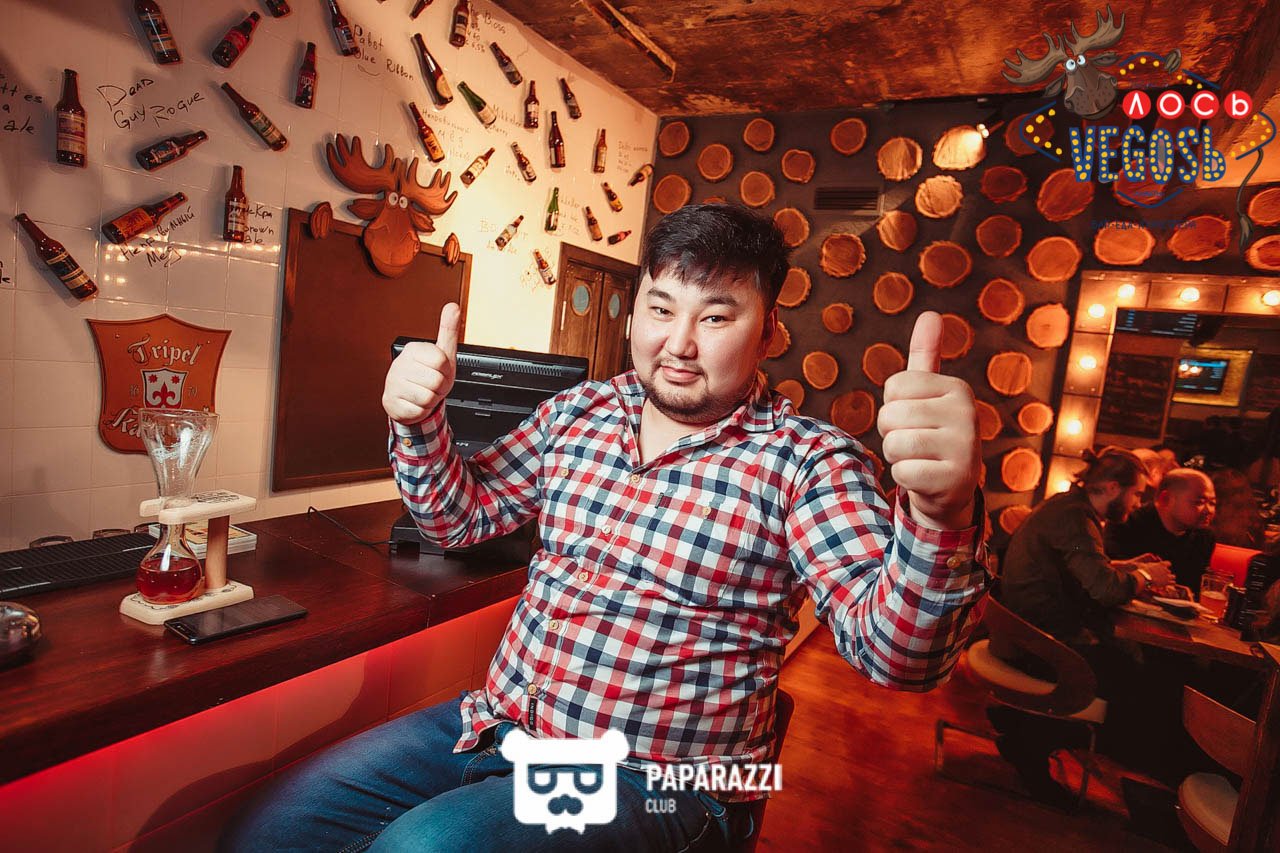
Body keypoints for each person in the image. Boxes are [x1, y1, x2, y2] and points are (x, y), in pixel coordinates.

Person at [222, 204, 989, 852]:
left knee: (423, 849)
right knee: (274, 828)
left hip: (659, 778)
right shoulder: (579, 412)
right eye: (661, 307)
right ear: (635, 309)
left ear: (768, 331)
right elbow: (459, 519)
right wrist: (418, 423)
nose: (679, 342)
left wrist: (941, 516)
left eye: (715, 315)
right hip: (500, 724)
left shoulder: (807, 461)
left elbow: (897, 657)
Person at [992, 446, 1174, 802]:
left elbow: (1081, 566)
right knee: (1136, 679)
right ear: (1112, 488)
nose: (1138, 503)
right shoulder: (1074, 517)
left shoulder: (1069, 506)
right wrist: (1146, 576)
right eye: (1136, 494)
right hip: (1038, 642)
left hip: (1025, 631)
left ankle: (1023, 730)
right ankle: (1031, 746)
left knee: (1132, 666)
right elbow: (1105, 590)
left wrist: (1127, 566)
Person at [1105, 468, 1217, 590]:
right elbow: (1109, 579)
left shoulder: (1204, 536)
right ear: (1165, 498)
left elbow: (1195, 587)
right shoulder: (1126, 522)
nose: (1209, 510)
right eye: (1199, 502)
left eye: (1212, 503)